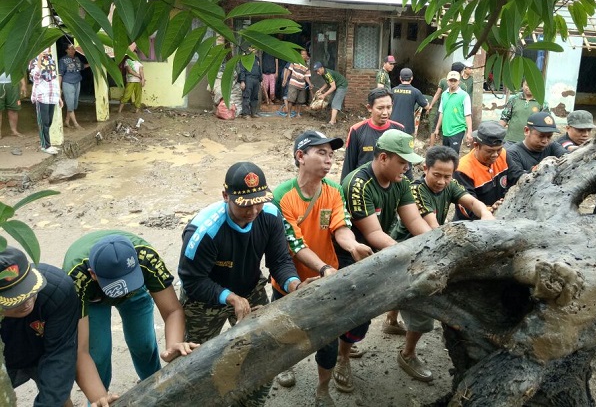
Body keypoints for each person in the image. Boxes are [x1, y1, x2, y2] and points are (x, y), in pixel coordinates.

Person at [178, 161, 311, 407]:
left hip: (249, 289)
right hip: (204, 300)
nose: (252, 212)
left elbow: (279, 260)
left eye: (258, 202)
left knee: (264, 351)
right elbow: (192, 280)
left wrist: (295, 285)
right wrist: (229, 297)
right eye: (244, 205)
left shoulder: (269, 215)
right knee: (195, 361)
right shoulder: (204, 231)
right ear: (225, 196)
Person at [272, 130, 373, 405]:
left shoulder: (333, 190)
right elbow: (294, 244)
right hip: (289, 280)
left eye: (331, 154)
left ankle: (322, 389)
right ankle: (286, 365)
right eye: (321, 153)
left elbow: (341, 227)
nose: (329, 160)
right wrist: (325, 269)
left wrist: (352, 247)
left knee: (328, 341)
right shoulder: (282, 196)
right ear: (300, 156)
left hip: (326, 277)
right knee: (284, 334)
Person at [336, 129, 433, 392]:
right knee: (359, 311)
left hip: (382, 249)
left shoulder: (400, 181)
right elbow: (372, 234)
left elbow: (414, 221)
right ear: (382, 158)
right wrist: (408, 254)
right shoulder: (359, 183)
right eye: (402, 162)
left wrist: (435, 245)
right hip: (351, 253)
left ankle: (401, 344)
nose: (407, 168)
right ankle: (341, 357)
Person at [390, 146, 493, 382]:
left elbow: (473, 203)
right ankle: (407, 354)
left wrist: (486, 216)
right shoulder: (416, 190)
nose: (442, 181)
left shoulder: (450, 185)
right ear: (425, 168)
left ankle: (391, 320)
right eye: (437, 174)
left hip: (426, 243)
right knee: (423, 309)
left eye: (448, 176)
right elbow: (433, 229)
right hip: (408, 248)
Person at [63, 230, 198, 407]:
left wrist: (173, 344)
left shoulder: (146, 257)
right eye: (119, 286)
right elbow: (81, 350)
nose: (124, 290)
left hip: (136, 293)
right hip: (93, 300)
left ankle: (156, 390)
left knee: (144, 344)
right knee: (99, 355)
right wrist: (100, 399)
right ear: (93, 274)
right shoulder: (75, 278)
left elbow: (172, 310)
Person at [1, 247, 79, 407]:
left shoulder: (57, 289)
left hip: (42, 349)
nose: (27, 301)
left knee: (59, 398)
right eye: (16, 299)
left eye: (29, 290)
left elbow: (60, 354)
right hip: (5, 356)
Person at [453, 121, 511, 220]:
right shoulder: (463, 169)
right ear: (476, 146)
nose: (495, 155)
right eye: (489, 151)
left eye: (499, 149)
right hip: (470, 225)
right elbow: (468, 206)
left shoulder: (503, 155)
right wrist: (489, 210)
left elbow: (516, 179)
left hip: (500, 217)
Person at [506, 112, 566, 185]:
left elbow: (567, 157)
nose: (545, 141)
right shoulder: (512, 154)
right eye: (541, 136)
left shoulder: (552, 145)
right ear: (527, 131)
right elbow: (518, 180)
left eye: (549, 136)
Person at [28, 48, 63, 155]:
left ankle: (48, 144)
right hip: (41, 96)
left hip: (52, 96)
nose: (46, 50)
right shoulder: (33, 62)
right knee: (44, 122)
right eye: (44, 49)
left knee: (49, 121)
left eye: (48, 48)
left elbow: (54, 79)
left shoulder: (51, 61)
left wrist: (59, 97)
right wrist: (39, 59)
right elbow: (36, 77)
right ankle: (45, 146)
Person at [432, 70, 473, 154]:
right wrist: (437, 128)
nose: (453, 83)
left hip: (458, 129)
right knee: (446, 154)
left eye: (455, 80)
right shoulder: (444, 94)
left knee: (453, 154)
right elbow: (441, 112)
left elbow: (467, 115)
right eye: (451, 80)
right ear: (447, 81)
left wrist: (469, 132)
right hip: (446, 130)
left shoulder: (464, 96)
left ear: (459, 82)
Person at [500, 79, 549, 145]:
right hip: (510, 141)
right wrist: (496, 134)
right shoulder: (514, 99)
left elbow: (545, 123)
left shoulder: (542, 102)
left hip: (530, 143)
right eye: (527, 85)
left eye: (532, 86)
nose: (528, 88)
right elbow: (504, 118)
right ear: (523, 84)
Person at [428, 62, 467, 134]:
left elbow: (437, 94)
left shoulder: (443, 81)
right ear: (461, 72)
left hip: (442, 108)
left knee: (436, 124)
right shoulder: (462, 85)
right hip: (454, 111)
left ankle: (432, 142)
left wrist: (431, 105)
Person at [390, 68, 429, 137]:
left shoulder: (393, 91)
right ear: (411, 78)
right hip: (408, 125)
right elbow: (426, 106)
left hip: (393, 124)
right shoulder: (416, 92)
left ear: (400, 78)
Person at [58, 44, 87, 129]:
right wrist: (59, 87)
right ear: (66, 50)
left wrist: (92, 64)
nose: (72, 51)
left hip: (77, 82)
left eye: (73, 49)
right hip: (68, 83)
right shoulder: (62, 60)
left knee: (73, 103)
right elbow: (60, 74)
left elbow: (82, 66)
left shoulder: (76, 58)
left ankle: (67, 121)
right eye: (70, 49)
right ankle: (76, 124)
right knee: (70, 103)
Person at [284, 50, 313, 119]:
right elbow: (289, 70)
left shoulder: (307, 66)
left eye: (305, 55)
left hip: (302, 85)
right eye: (302, 54)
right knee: (291, 100)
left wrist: (310, 84)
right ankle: (289, 114)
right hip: (293, 83)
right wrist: (285, 79)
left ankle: (298, 114)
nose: (304, 56)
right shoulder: (294, 62)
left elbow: (306, 77)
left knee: (300, 101)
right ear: (300, 55)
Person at [238, 47, 263, 119]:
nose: (254, 49)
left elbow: (259, 70)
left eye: (255, 48)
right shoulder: (245, 58)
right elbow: (242, 70)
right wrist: (242, 81)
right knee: (246, 96)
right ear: (249, 48)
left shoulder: (257, 58)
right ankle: (246, 114)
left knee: (254, 97)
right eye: (252, 48)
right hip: (248, 78)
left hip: (256, 79)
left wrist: (261, 80)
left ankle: (253, 113)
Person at [0, 73, 27, 138]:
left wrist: (23, 84)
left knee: (13, 109)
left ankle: (14, 131)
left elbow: (18, 70)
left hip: (13, 84)